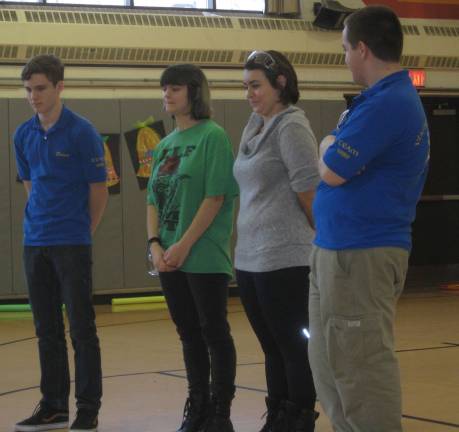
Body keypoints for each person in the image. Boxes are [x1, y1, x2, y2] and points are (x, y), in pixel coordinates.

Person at [309, 6, 430, 432]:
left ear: (362, 49)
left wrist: (326, 141)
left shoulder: (390, 103)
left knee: (361, 366)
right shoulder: (375, 102)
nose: (343, 58)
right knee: (329, 363)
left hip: (361, 253)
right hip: (335, 247)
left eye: (344, 49)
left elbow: (332, 169)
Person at [13, 55, 108, 432]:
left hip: (72, 242)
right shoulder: (22, 134)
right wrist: (41, 225)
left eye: (40, 89)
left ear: (59, 87)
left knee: (82, 329)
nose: (33, 97)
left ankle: (88, 407)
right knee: (46, 329)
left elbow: (98, 191)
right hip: (35, 242)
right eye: (28, 90)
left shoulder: (83, 132)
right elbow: (30, 186)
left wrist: (83, 232)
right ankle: (53, 405)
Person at [146, 64, 238, 432]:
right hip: (169, 257)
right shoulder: (165, 145)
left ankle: (220, 413)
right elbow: (153, 199)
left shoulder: (213, 137)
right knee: (188, 335)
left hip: (203, 255)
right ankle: (197, 407)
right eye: (165, 88)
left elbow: (215, 196)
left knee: (214, 332)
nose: (167, 94)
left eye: (176, 88)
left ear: (194, 92)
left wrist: (184, 244)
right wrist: (155, 245)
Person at [233, 50, 320, 432]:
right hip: (251, 258)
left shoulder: (292, 126)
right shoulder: (255, 123)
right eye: (246, 86)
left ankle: (299, 420)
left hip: (286, 258)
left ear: (280, 83)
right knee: (271, 346)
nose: (249, 94)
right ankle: (278, 417)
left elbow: (310, 195)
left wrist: (324, 246)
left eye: (256, 85)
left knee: (293, 346)